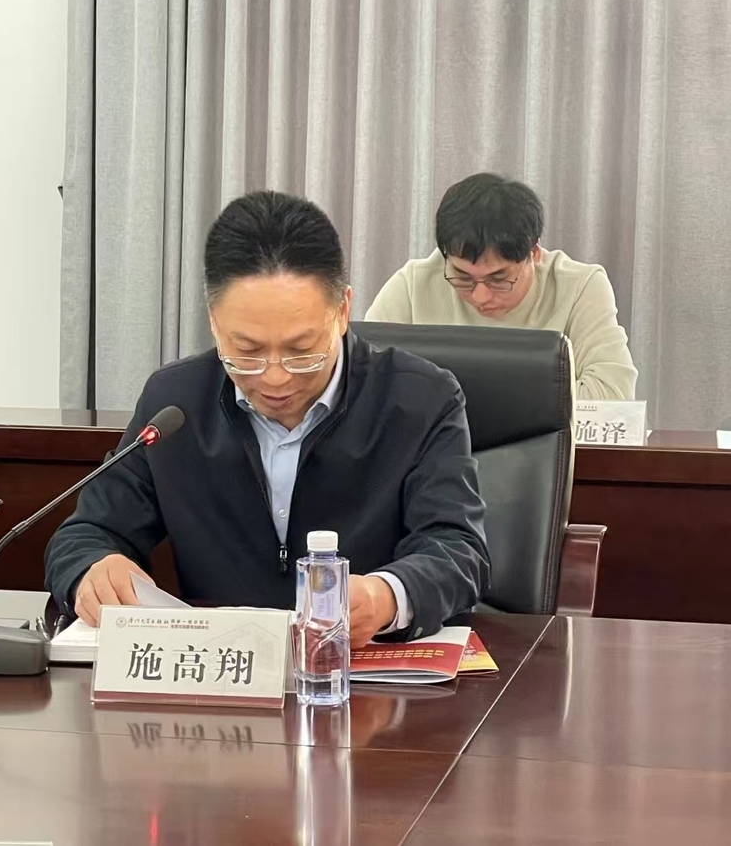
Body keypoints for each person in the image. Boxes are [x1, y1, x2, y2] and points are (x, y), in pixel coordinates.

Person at [45, 190, 490, 648]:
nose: (275, 378)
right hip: (220, 675)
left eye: (301, 351)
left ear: (342, 311)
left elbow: (459, 550)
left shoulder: (420, 400)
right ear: (214, 321)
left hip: (358, 673)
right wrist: (92, 570)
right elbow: (87, 533)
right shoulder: (176, 403)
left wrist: (387, 596)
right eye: (247, 352)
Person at [366, 173, 637, 400]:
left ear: (534, 254)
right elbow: (362, 382)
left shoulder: (579, 287)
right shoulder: (414, 284)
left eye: (498, 279)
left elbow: (612, 394)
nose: (480, 296)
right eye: (462, 276)